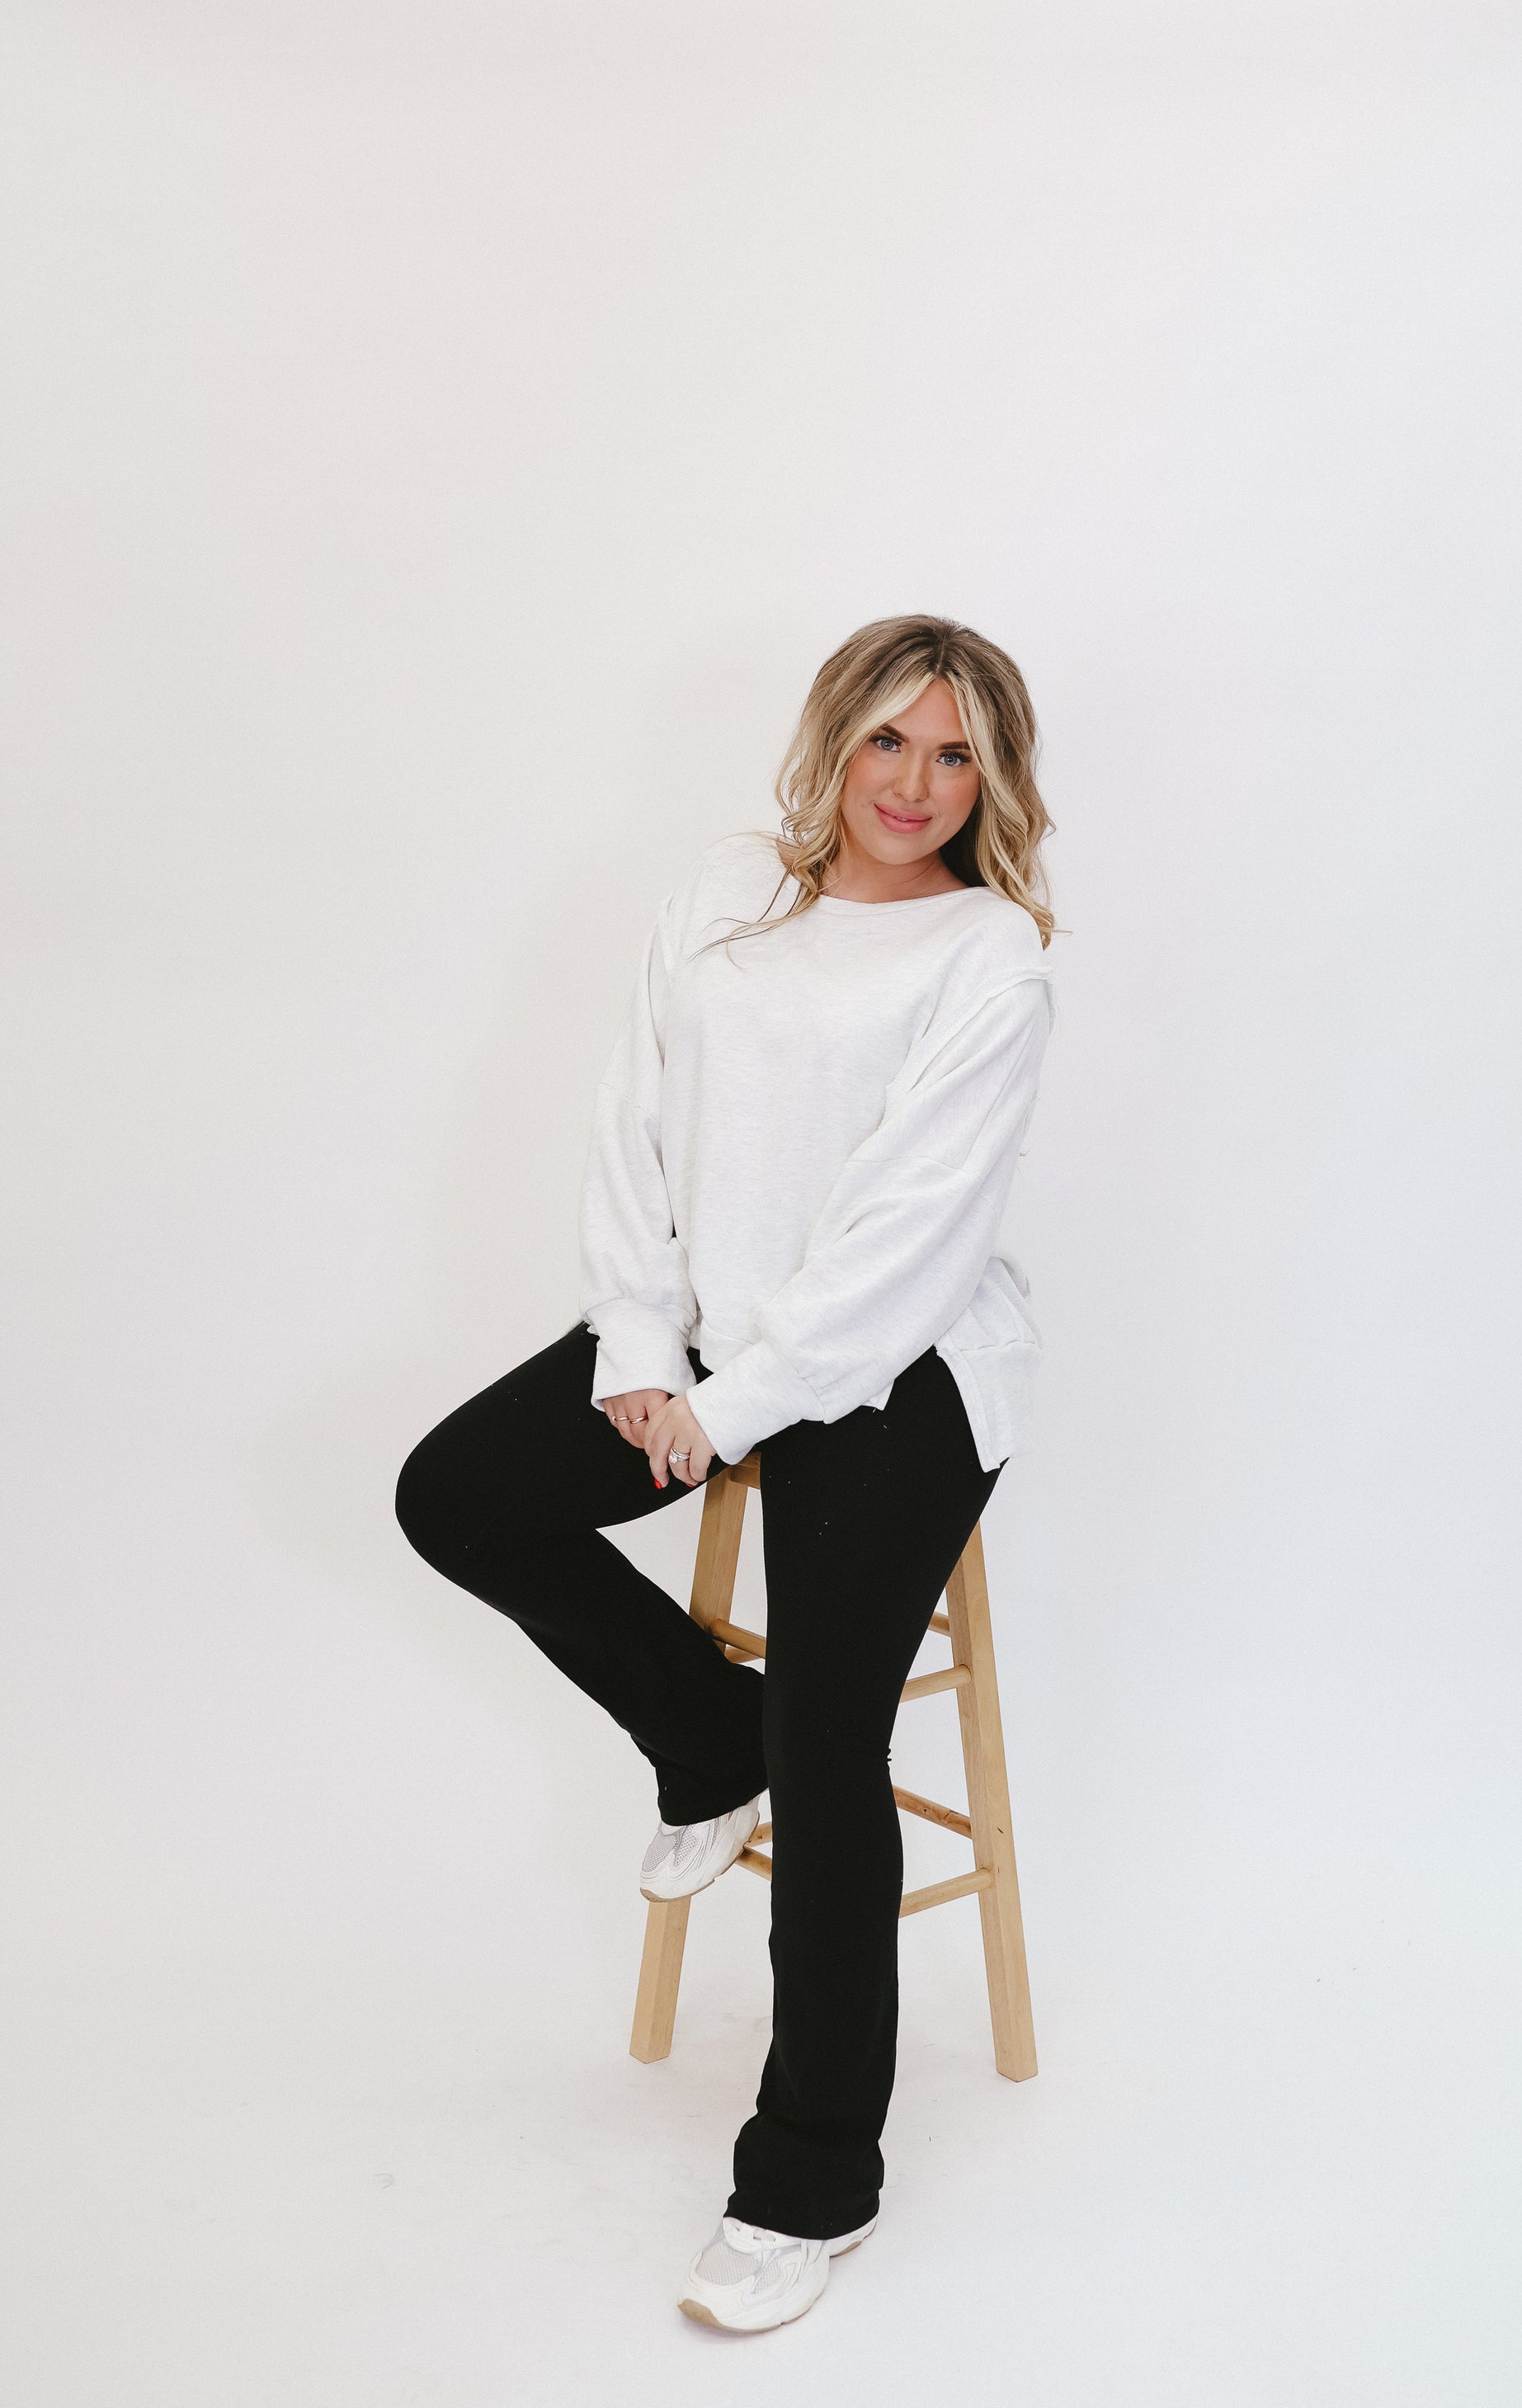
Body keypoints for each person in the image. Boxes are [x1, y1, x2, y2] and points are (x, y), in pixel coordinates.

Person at [395, 613, 1058, 2331]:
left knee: (829, 1741)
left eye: (957, 754)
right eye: (889, 739)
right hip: (702, 1327)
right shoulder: (723, 894)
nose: (914, 783)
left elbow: (909, 1240)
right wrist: (639, 1345)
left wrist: (738, 1402)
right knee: (456, 1493)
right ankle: (706, 1739)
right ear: (834, 736)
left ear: (993, 778)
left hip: (900, 1365)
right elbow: (633, 1129)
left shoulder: (988, 957)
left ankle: (813, 2181)